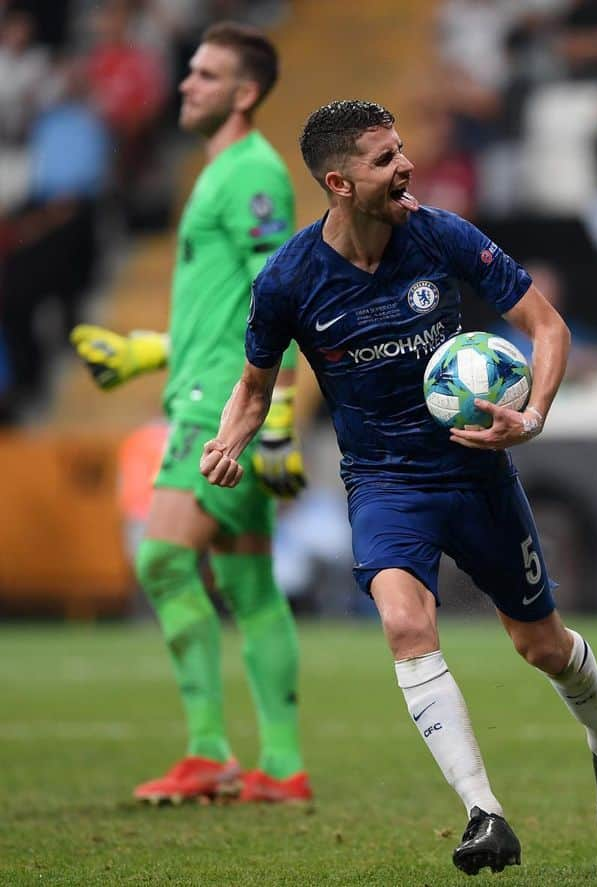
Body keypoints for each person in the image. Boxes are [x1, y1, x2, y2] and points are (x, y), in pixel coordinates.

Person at [200, 99, 597, 874]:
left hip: (475, 472)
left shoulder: (440, 233)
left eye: (402, 149)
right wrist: (230, 438)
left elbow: (547, 326)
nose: (405, 166)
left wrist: (534, 414)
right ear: (339, 183)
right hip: (383, 482)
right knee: (405, 625)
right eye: (385, 160)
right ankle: (484, 813)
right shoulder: (289, 279)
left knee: (540, 646)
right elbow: (253, 384)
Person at [68, 22, 310, 805]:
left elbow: (281, 298)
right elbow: (224, 310)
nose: (185, 84)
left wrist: (274, 419)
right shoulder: (222, 172)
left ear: (244, 93)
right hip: (211, 383)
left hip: (223, 403)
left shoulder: (249, 173)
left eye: (206, 75)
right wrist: (143, 350)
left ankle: (209, 749)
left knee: (163, 561)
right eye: (190, 72)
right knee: (248, 582)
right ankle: (280, 765)